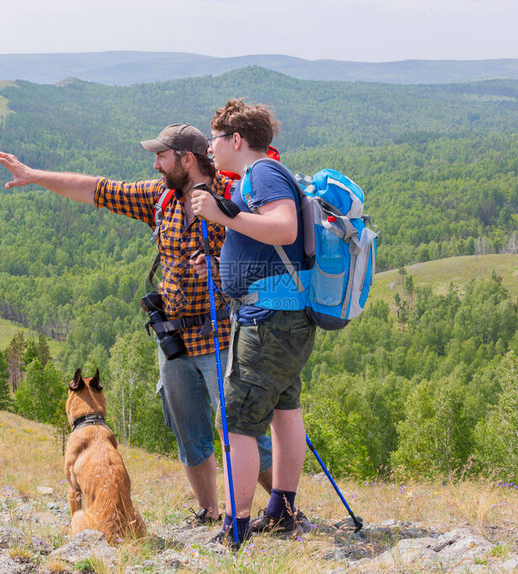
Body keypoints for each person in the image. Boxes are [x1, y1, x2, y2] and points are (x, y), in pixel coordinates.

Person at [0, 124, 273, 526]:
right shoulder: (160, 198)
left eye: (162, 157)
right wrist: (35, 176)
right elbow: (96, 189)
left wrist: (222, 268)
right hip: (173, 338)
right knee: (188, 432)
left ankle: (282, 509)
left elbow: (264, 256)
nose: (156, 165)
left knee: (241, 431)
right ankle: (209, 512)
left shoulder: (231, 198)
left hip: (220, 337)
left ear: (186, 159)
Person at [192, 100, 316, 546]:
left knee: (240, 421)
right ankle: (281, 510)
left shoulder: (262, 174)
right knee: (285, 408)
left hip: (267, 321)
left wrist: (220, 214)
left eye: (215, 138)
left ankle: (235, 527)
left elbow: (282, 228)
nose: (210, 146)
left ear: (236, 140)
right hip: (285, 315)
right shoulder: (259, 177)